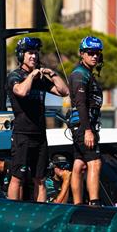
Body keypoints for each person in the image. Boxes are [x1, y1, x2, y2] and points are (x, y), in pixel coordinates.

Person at [6, 37, 69, 201]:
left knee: (40, 178)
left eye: (35, 53)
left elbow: (64, 91)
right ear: (21, 55)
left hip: (40, 134)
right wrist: (32, 76)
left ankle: (39, 212)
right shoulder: (15, 76)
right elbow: (21, 91)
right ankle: (13, 211)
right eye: (29, 53)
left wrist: (53, 74)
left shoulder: (40, 79)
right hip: (22, 134)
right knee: (17, 177)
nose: (33, 56)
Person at [68, 36, 104, 206]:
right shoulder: (79, 74)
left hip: (83, 126)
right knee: (94, 163)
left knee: (79, 165)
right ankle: (94, 204)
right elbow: (80, 103)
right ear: (81, 54)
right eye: (90, 53)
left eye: (97, 53)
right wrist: (88, 130)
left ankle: (77, 205)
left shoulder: (88, 73)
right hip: (84, 126)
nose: (94, 56)